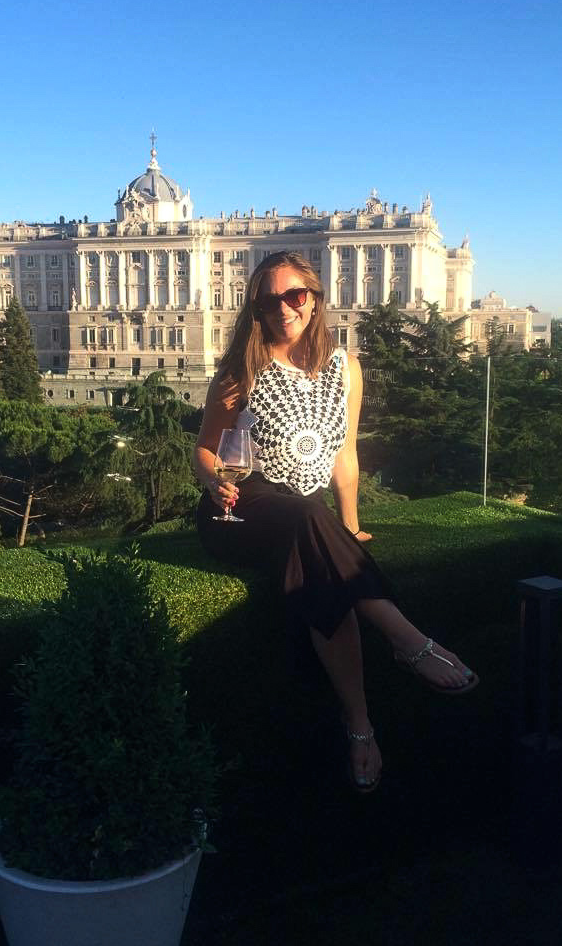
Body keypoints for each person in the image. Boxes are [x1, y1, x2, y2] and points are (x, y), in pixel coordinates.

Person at [193, 251, 478, 793]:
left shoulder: (345, 368)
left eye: (294, 295)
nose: (283, 308)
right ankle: (408, 641)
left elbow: (345, 451)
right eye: (268, 299)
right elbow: (205, 451)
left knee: (320, 556)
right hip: (237, 509)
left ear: (315, 299)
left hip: (304, 517)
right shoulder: (240, 372)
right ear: (255, 308)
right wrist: (213, 481)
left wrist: (349, 523)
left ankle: (360, 725)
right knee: (306, 518)